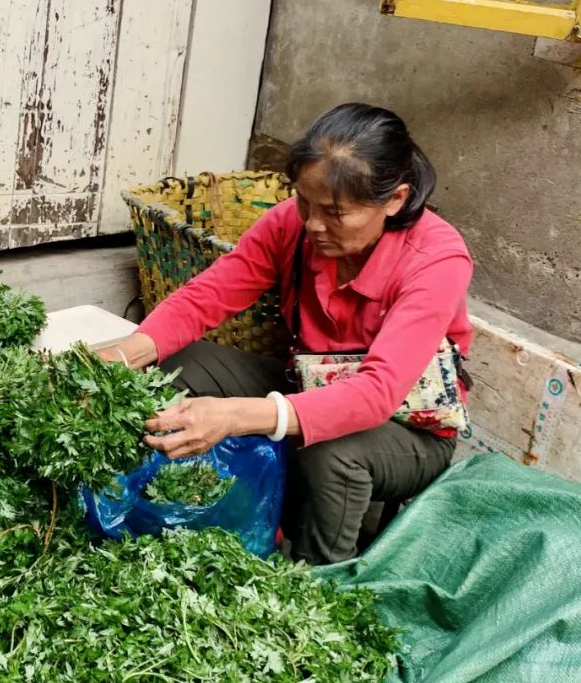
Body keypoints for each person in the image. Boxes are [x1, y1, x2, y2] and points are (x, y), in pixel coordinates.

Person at [102, 104, 473, 565]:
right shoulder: (291, 224)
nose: (314, 224)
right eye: (305, 202)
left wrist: (236, 416)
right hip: (307, 384)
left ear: (395, 200)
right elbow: (207, 297)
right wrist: (119, 357)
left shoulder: (435, 260)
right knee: (182, 364)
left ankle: (321, 582)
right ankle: (180, 507)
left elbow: (377, 394)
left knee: (330, 453)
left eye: (336, 212)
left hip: (406, 429)